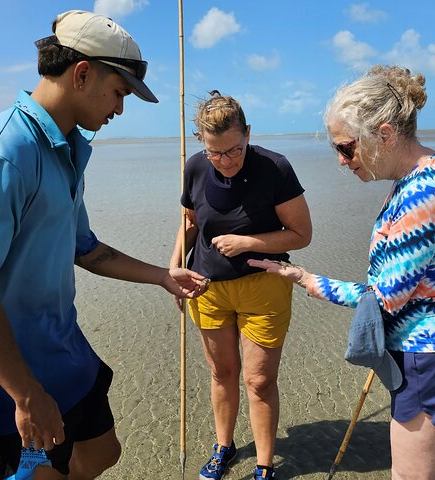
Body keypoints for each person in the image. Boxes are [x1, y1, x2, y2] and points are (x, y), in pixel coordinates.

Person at [0, 10, 208, 480]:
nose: (119, 109)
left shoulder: (65, 148)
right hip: (15, 365)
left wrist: (162, 275)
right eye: (120, 93)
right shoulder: (2, 153)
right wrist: (26, 395)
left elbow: (86, 249)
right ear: (82, 74)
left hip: (61, 345)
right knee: (40, 472)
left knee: (101, 452)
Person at [249, 65, 435, 480]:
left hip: (432, 352)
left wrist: (307, 280)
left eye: (346, 147)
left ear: (385, 134)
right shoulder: (425, 175)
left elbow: (383, 298)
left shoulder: (425, 194)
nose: (342, 161)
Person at [170, 91, 312, 480]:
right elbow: (189, 222)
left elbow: (301, 234)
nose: (226, 161)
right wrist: (173, 270)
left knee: (260, 380)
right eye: (216, 152)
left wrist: (248, 242)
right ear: (202, 142)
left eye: (234, 149)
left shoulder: (275, 168)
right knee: (222, 373)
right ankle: (224, 446)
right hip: (207, 287)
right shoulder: (195, 167)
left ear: (247, 133)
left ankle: (265, 463)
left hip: (263, 287)